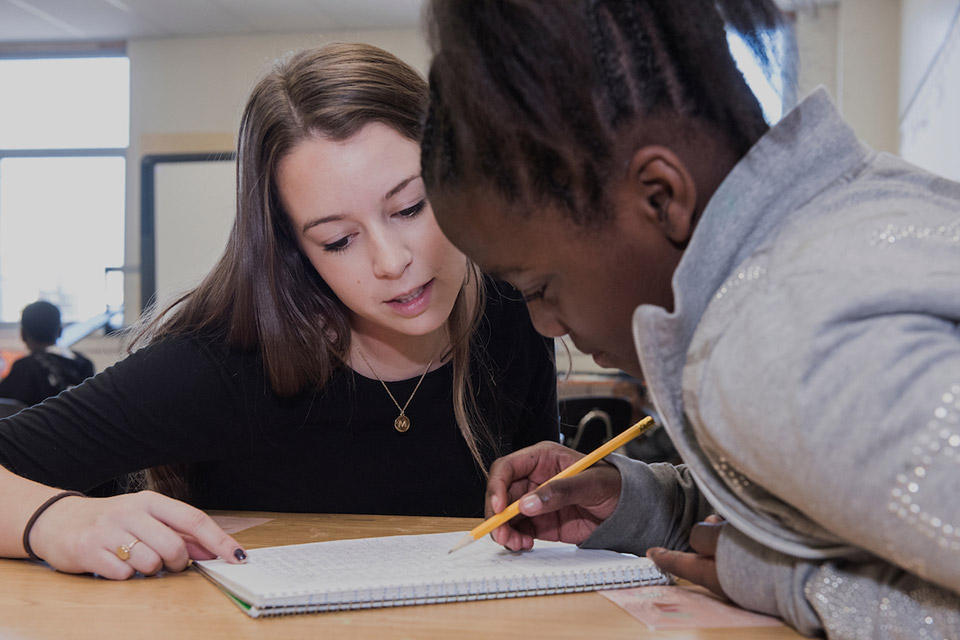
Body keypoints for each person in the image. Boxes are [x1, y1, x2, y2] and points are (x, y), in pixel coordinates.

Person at [420, 1, 960, 638]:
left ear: (659, 197)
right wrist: (647, 505)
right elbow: (834, 498)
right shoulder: (869, 206)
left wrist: (788, 584)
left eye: (540, 288)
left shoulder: (769, 344)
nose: (543, 326)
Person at [0, 43, 558, 580]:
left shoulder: (513, 307)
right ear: (293, 249)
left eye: (412, 207)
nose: (393, 262)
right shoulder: (227, 363)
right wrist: (56, 520)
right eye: (338, 240)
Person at [0, 301, 95, 407]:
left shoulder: (24, 368)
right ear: (60, 331)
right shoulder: (85, 364)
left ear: (22, 334)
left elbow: (6, 407)